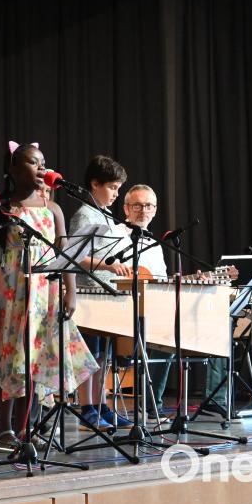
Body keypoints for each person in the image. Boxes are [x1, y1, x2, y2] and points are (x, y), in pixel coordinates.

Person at [0, 141, 99, 447]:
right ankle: (4, 428)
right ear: (13, 169)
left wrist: (71, 292)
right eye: (33, 163)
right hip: (10, 292)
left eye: (43, 163)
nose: (41, 168)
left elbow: (65, 255)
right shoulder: (1, 208)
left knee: (33, 360)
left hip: (45, 294)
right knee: (11, 359)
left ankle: (24, 428)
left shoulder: (54, 209)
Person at [67, 155, 135, 431]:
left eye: (119, 189)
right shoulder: (84, 214)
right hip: (89, 293)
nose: (116, 195)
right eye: (112, 188)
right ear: (94, 184)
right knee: (90, 357)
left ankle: (102, 405)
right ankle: (87, 409)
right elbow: (75, 255)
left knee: (104, 357)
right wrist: (109, 263)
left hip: (105, 292)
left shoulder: (104, 214)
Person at [116, 184, 172, 421]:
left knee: (168, 339)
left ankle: (150, 405)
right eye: (137, 205)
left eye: (148, 205)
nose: (143, 210)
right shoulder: (114, 234)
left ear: (155, 210)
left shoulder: (155, 244)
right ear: (126, 208)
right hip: (117, 309)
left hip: (148, 312)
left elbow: (161, 282)